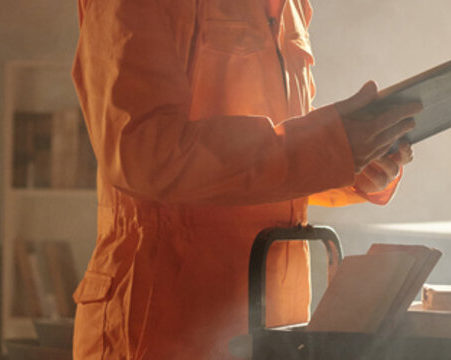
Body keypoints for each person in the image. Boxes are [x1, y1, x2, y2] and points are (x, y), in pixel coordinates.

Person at [69, 0, 421, 358]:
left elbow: (274, 151)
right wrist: (328, 145)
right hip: (162, 320)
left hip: (275, 323)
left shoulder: (292, 5)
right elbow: (145, 155)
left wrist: (353, 161)